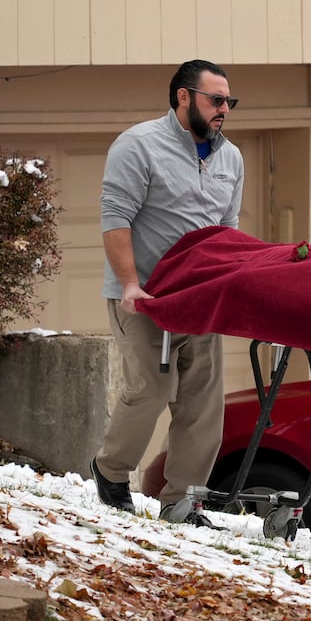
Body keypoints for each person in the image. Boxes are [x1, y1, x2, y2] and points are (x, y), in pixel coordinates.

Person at [87, 59, 245, 527]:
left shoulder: (231, 157)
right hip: (146, 297)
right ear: (182, 96)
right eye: (215, 100)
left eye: (228, 102)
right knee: (151, 390)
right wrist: (131, 284)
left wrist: (228, 288)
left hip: (200, 300)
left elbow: (227, 230)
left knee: (202, 402)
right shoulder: (139, 146)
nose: (224, 110)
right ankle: (111, 470)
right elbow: (115, 219)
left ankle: (183, 500)